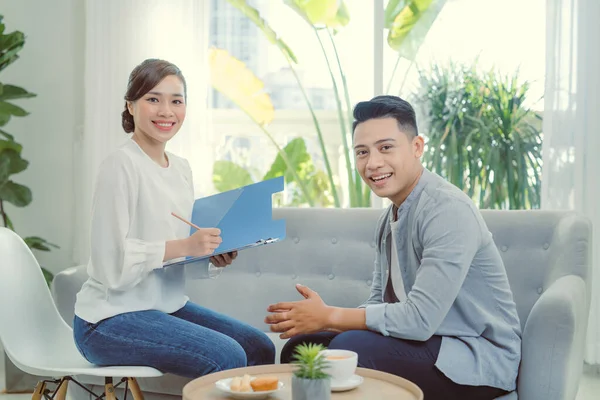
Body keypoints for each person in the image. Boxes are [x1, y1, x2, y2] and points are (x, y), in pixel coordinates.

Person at [265, 95, 522, 399]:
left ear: (417, 147)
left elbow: (420, 320)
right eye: (362, 152)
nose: (373, 163)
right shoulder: (390, 218)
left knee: (354, 349)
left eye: (386, 147)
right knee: (303, 348)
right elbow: (379, 305)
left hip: (474, 357)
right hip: (427, 343)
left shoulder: (447, 210)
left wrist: (331, 316)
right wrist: (317, 321)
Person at [73, 58, 275, 378]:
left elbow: (172, 255)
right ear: (130, 105)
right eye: (153, 99)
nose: (166, 111)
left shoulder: (180, 168)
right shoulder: (119, 166)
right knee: (227, 355)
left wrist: (209, 254)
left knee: (259, 347)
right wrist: (185, 245)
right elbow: (110, 263)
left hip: (164, 305)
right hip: (108, 319)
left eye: (176, 101)